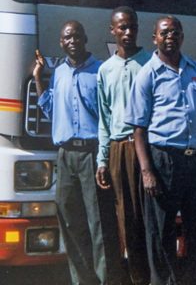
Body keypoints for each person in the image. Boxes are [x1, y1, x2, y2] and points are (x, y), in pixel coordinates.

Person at [125, 15, 196, 285]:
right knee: (161, 232)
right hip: (164, 162)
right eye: (165, 32)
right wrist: (147, 171)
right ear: (154, 38)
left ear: (182, 36)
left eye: (176, 32)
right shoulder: (147, 74)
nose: (171, 36)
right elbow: (138, 129)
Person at [33, 21, 123, 285]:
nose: (72, 41)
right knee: (70, 222)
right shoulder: (59, 73)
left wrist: (103, 158)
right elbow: (50, 109)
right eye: (66, 37)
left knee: (99, 224)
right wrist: (39, 78)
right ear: (62, 42)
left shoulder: (100, 71)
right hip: (65, 156)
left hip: (92, 155)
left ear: (85, 39)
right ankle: (82, 281)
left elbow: (109, 117)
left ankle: (106, 280)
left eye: (76, 36)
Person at [96, 6, 151, 285]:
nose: (128, 32)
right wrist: (102, 160)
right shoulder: (105, 70)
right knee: (124, 217)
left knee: (148, 216)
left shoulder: (151, 63)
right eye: (122, 28)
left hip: (147, 150)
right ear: (112, 30)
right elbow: (104, 120)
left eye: (132, 27)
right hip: (119, 149)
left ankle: (150, 276)